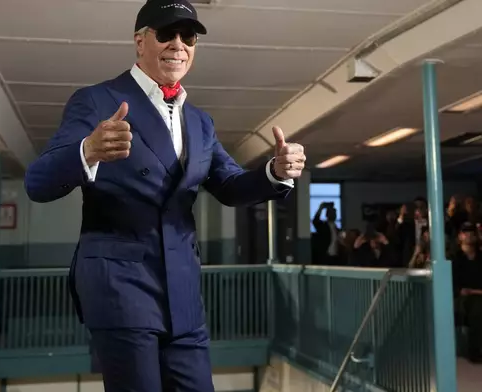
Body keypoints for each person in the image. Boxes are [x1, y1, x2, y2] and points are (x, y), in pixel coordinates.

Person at [24, 0, 306, 390]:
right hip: (121, 285)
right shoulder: (97, 101)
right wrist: (87, 150)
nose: (179, 44)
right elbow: (37, 183)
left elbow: (229, 185)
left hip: (183, 291)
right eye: (166, 33)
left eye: (188, 36)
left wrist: (274, 172)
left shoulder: (200, 121)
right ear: (140, 42)